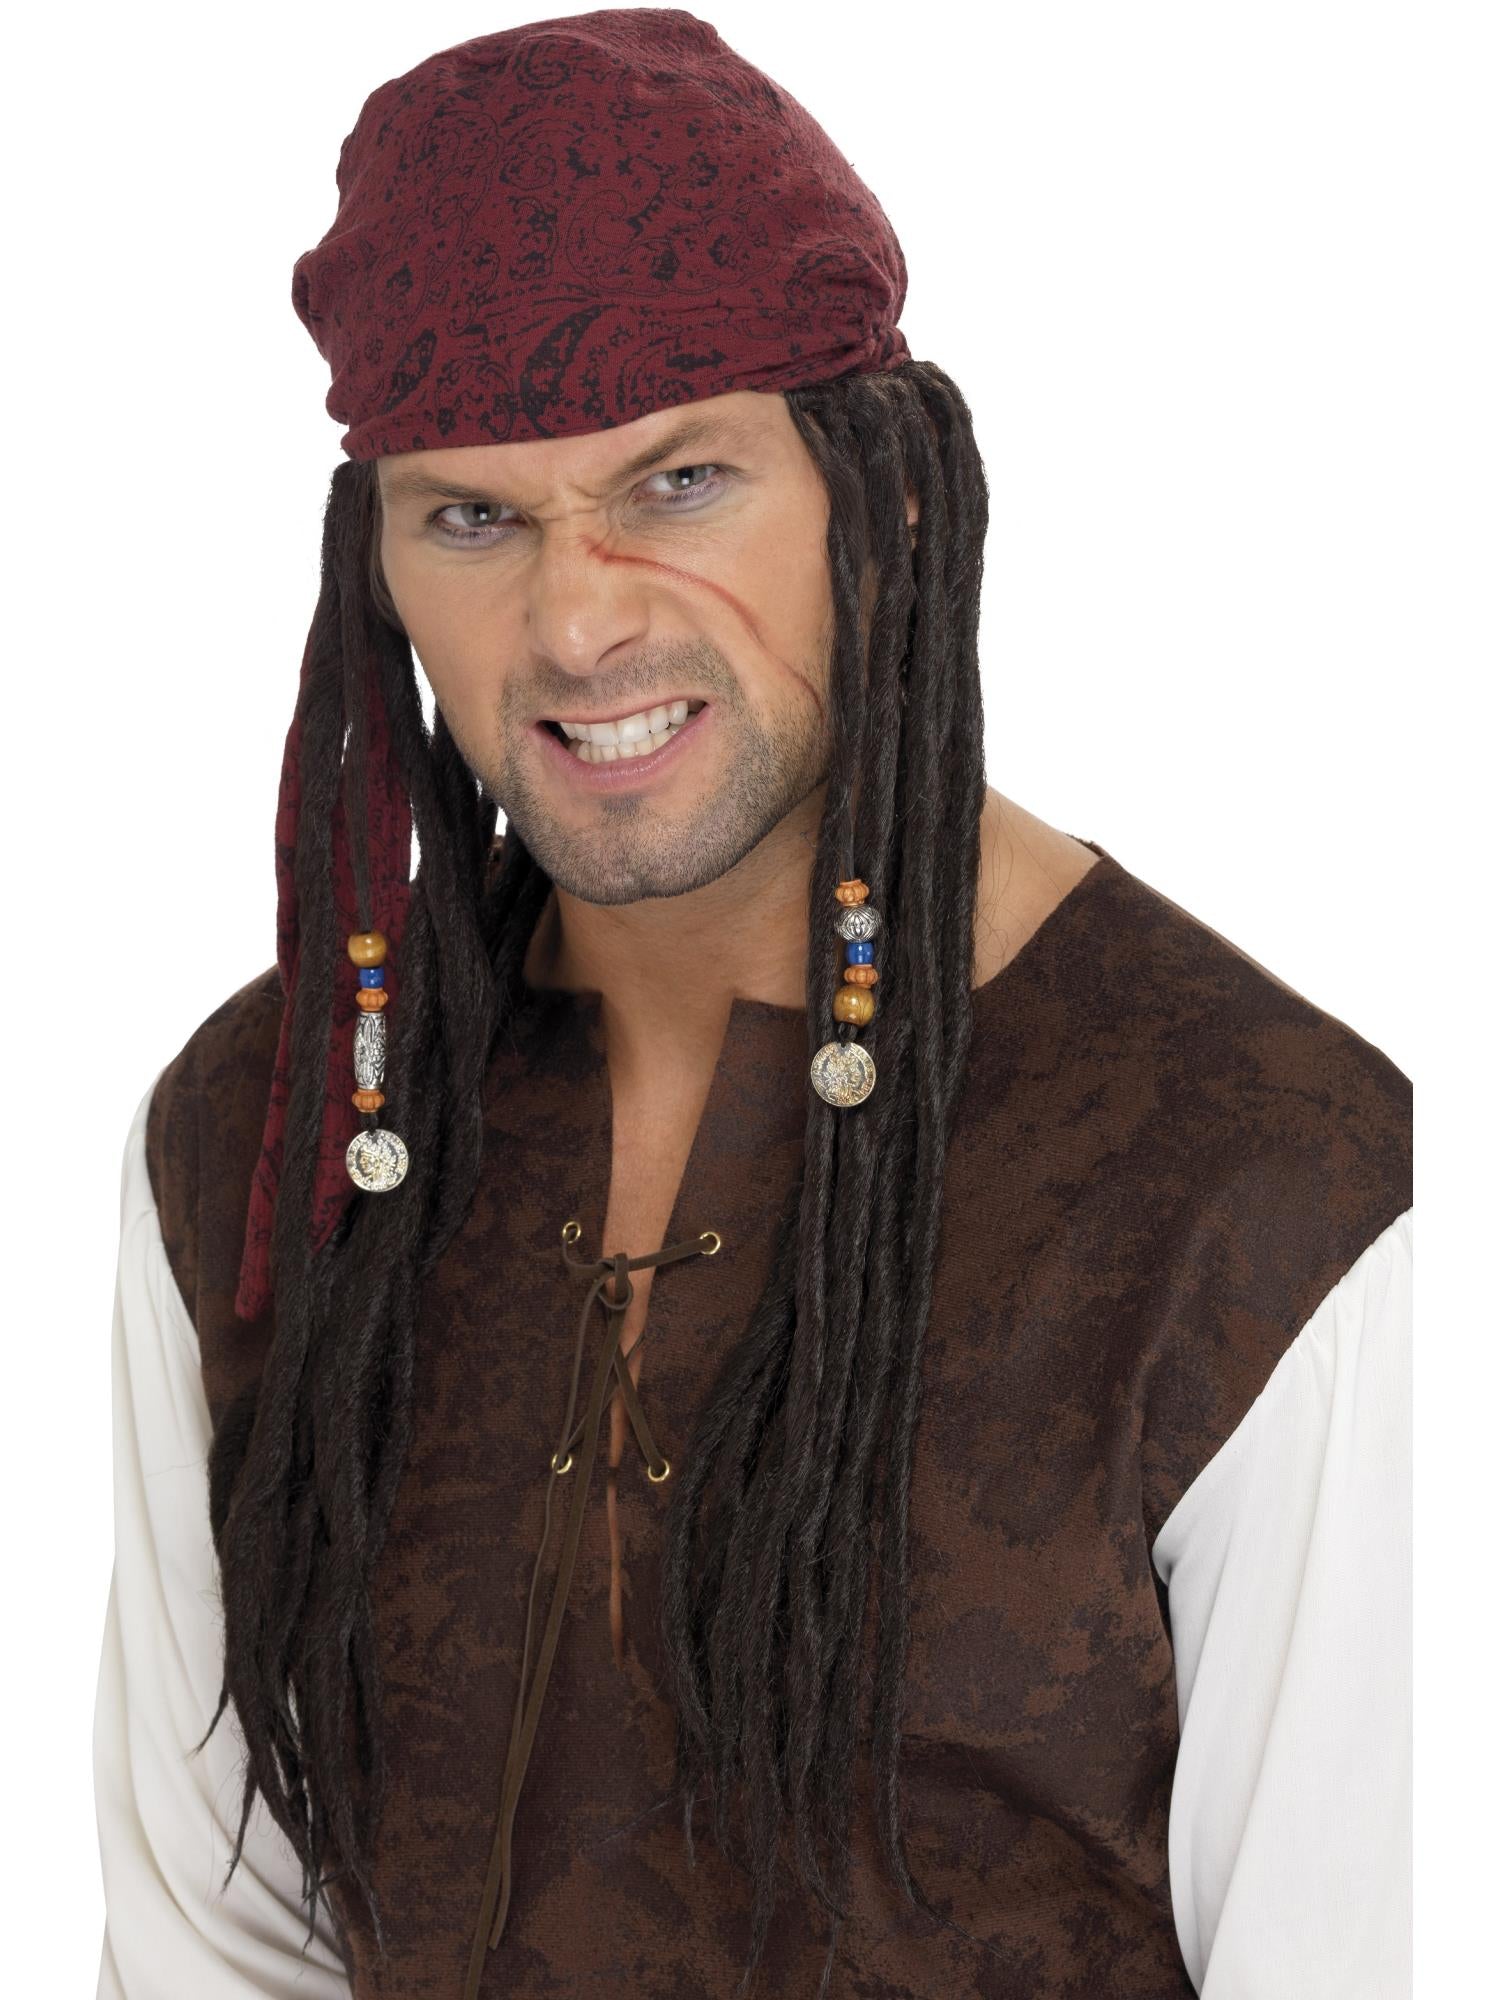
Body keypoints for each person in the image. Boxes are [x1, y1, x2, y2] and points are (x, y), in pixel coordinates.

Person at [91, 12, 1412, 1999]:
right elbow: (212, 1941)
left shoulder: (1265, 1187)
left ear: (885, 493)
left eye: (682, 479)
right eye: (473, 517)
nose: (579, 619)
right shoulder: (263, 1130)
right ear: (379, 566)